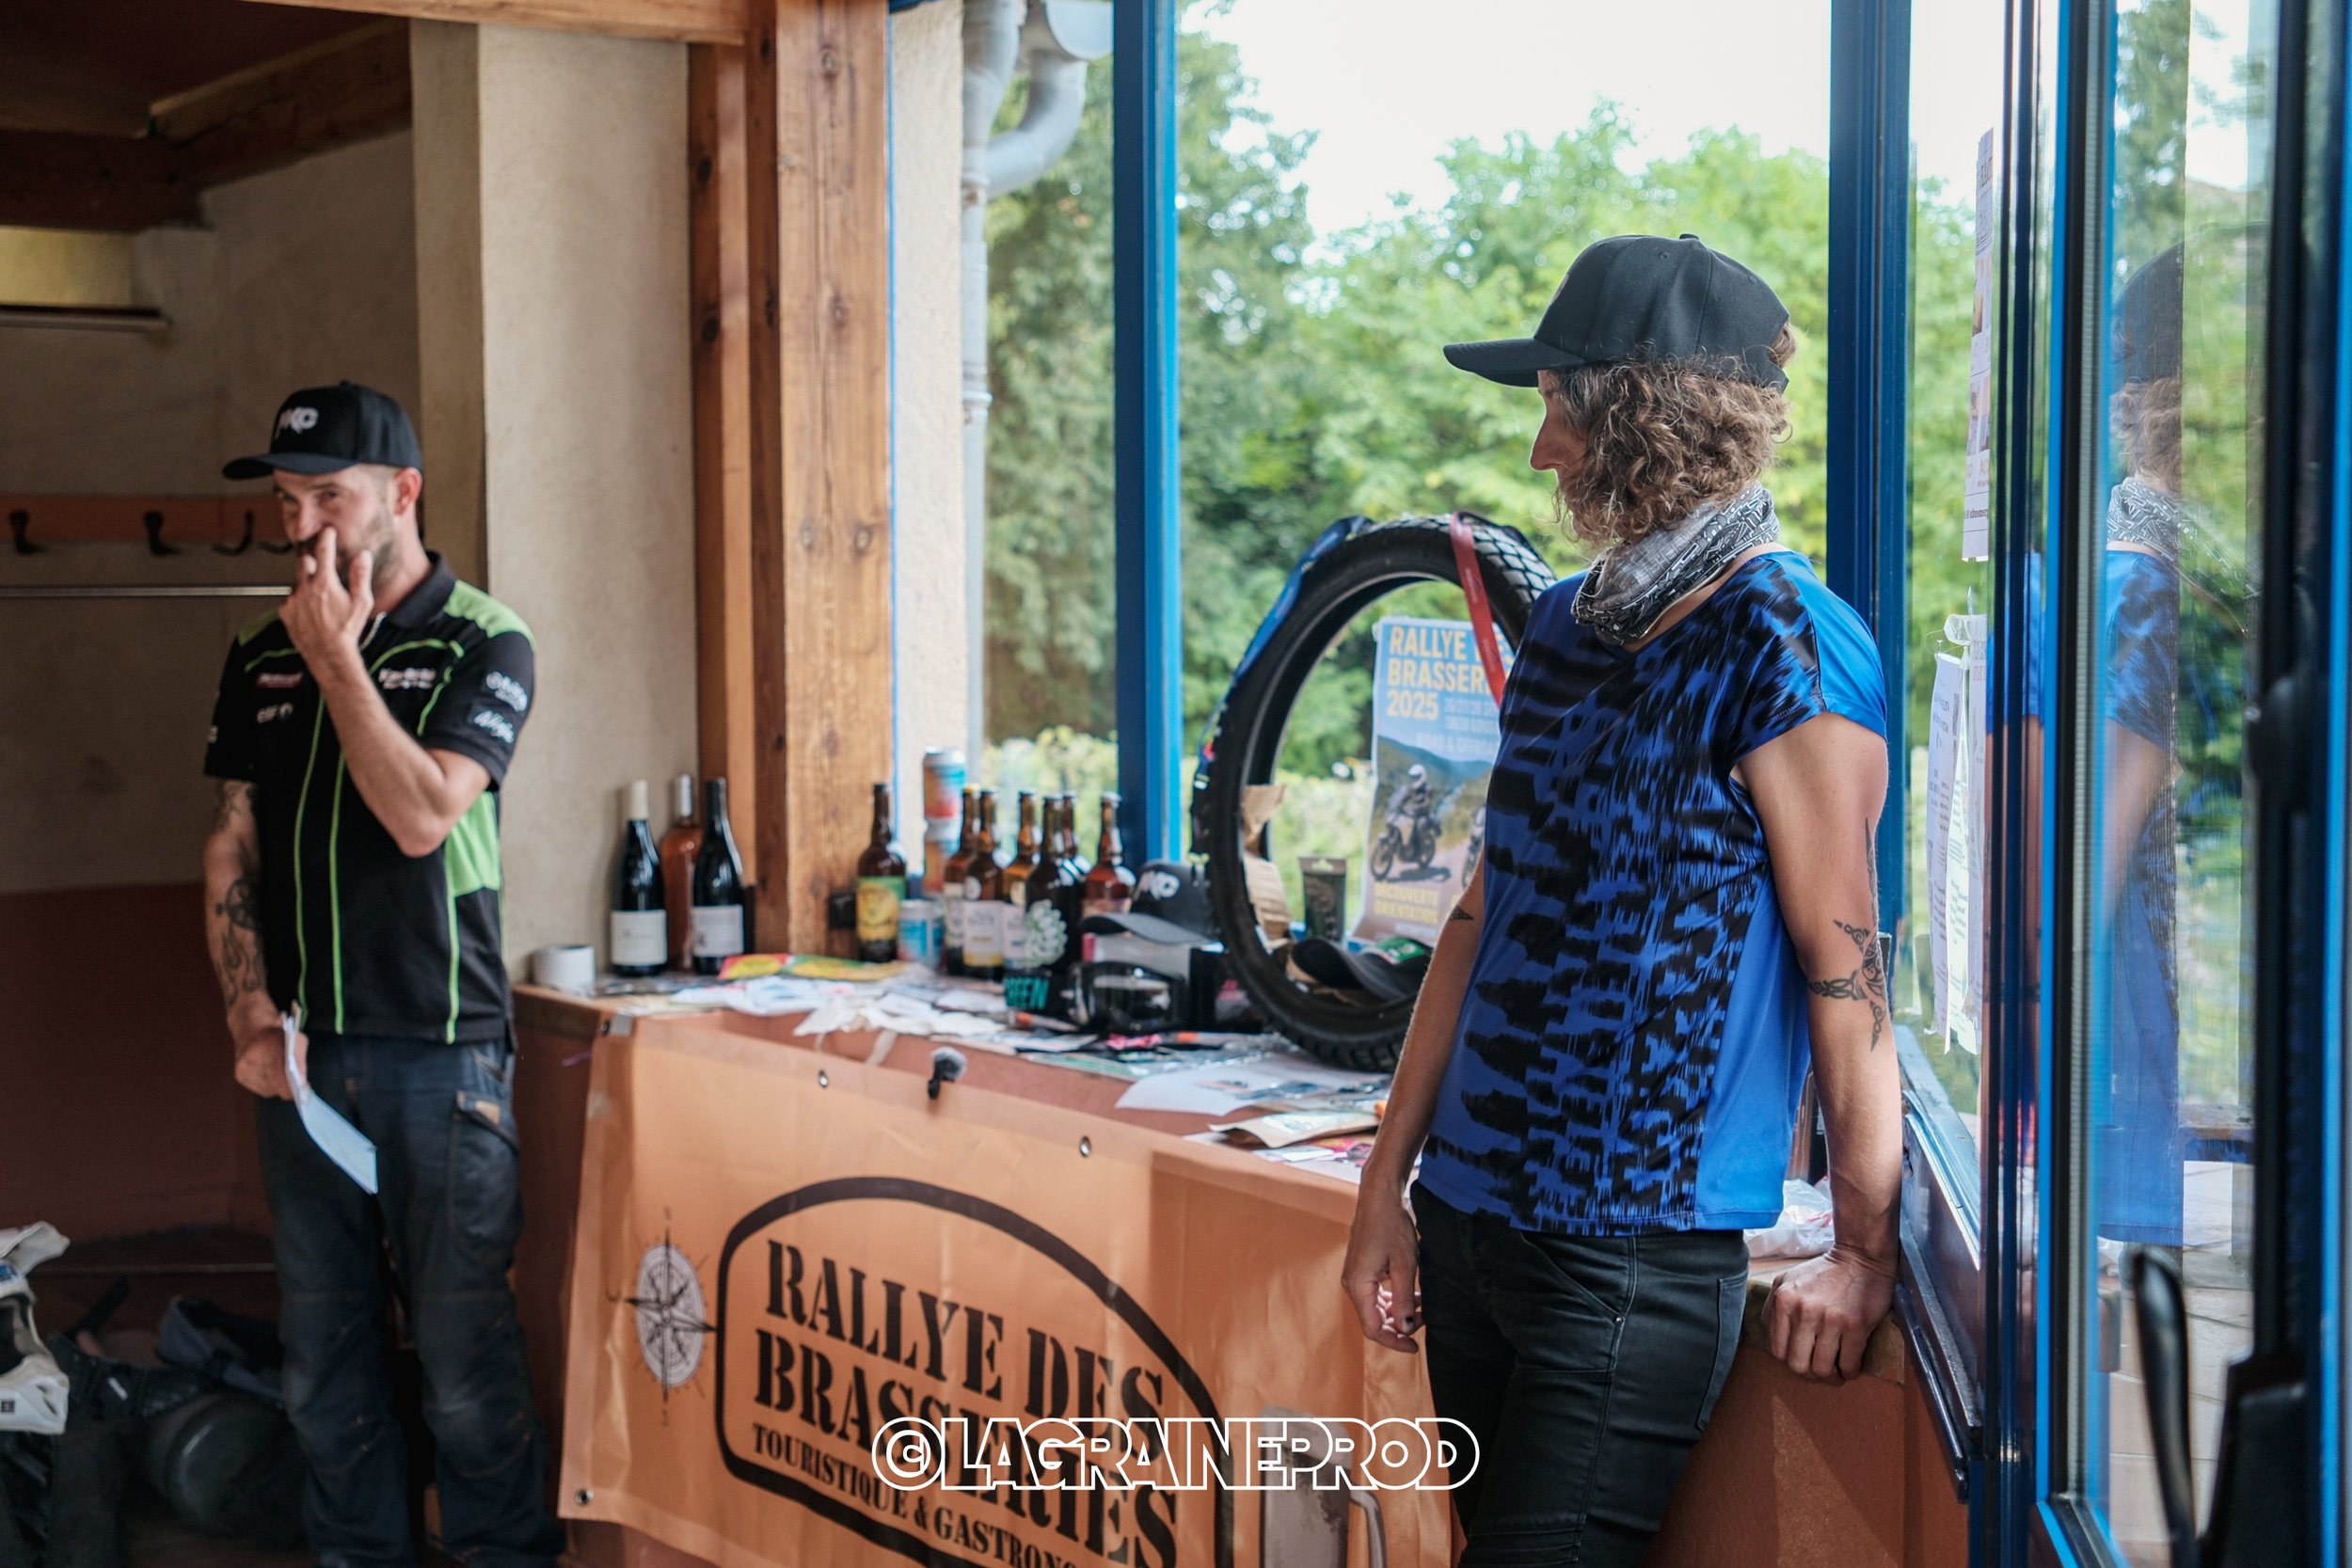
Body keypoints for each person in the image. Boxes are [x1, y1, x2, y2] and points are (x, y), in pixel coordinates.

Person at [1340, 235, 1902, 1566]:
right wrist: (1384, 1184)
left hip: (1627, 1254)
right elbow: (1481, 914)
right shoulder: (1565, 624)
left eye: (1560, 408)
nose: (1543, 451)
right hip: (1469, 1227)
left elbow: (1847, 971)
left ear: (1648, 416)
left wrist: (1864, 1249)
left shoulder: (1786, 638)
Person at [199, 382, 564, 1567]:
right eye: (285, 500)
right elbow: (233, 841)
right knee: (323, 1361)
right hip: (303, 1059)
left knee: (462, 1362)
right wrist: (249, 1011)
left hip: (440, 1053)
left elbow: (420, 816)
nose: (301, 525)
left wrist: (338, 660)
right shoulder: (259, 652)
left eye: (328, 496)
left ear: (404, 492)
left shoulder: (483, 638)